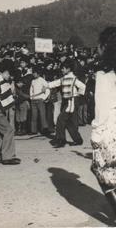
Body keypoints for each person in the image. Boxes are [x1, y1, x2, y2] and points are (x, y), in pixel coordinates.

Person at [90, 27, 116, 215]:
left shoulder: (103, 75)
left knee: (101, 170)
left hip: (109, 127)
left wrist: (96, 134)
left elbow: (101, 108)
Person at [44, 58, 86, 148]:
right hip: (67, 101)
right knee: (68, 122)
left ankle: (61, 140)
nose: (62, 70)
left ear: (68, 69)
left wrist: (77, 95)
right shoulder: (64, 78)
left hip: (71, 101)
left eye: (63, 68)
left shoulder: (73, 78)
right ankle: (78, 140)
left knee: (60, 119)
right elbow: (56, 83)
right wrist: (47, 86)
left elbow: (83, 86)